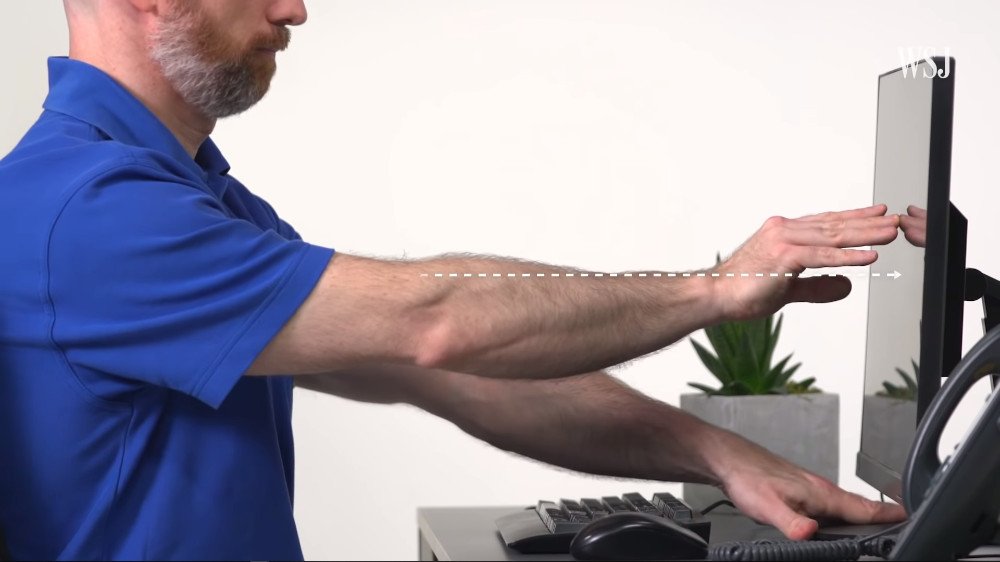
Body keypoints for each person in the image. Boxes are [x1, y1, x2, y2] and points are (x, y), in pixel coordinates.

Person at [0, 0, 906, 559]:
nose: (295, 9)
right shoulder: (88, 210)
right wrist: (712, 289)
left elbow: (442, 369)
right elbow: (434, 322)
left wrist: (718, 455)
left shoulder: (195, 199)